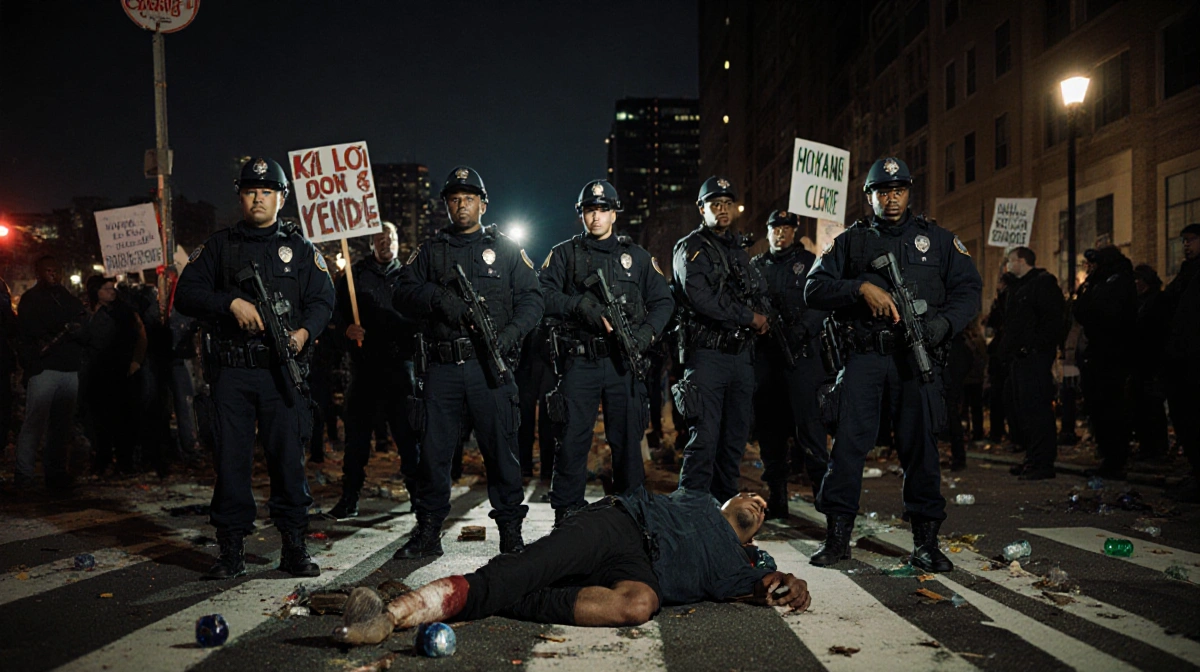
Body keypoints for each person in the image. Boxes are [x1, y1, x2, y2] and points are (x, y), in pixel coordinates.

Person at [329, 490, 811, 645]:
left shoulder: (741, 566)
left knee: (640, 605)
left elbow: (771, 586)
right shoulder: (698, 498)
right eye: (751, 496)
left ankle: (492, 594)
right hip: (620, 525)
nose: (758, 503)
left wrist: (790, 584)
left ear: (756, 539)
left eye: (764, 511)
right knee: (534, 565)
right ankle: (393, 613)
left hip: (642, 572)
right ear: (728, 499)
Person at [804, 157, 982, 572]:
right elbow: (814, 288)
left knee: (921, 448)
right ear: (869, 197)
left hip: (916, 358)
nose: (891, 198)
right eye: (882, 192)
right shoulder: (850, 241)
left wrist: (942, 326)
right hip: (866, 356)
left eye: (898, 190)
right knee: (848, 447)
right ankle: (837, 537)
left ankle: (925, 541)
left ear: (909, 192)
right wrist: (860, 288)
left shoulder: (937, 240)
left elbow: (968, 290)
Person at [175, 157, 335, 579]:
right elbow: (186, 293)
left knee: (288, 460)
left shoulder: (301, 250)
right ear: (241, 196)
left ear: (281, 198)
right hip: (234, 372)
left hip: (282, 372)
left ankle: (294, 546)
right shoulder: (220, 247)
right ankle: (231, 550)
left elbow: (323, 300)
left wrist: (303, 333)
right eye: (250, 191)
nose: (258, 198)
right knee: (231, 461)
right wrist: (229, 303)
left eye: (267, 191)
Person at [392, 166, 544, 557]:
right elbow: (402, 292)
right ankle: (427, 533)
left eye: (469, 199)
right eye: (455, 199)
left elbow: (533, 300)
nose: (462, 206)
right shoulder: (431, 251)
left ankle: (511, 532)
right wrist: (439, 300)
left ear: (483, 203)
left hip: (490, 368)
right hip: (443, 367)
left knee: (502, 454)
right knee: (435, 455)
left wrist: (510, 336)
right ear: (446, 205)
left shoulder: (507, 249)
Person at [539, 180, 674, 525]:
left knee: (628, 442)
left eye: (602, 210)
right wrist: (579, 306)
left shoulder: (638, 258)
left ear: (614, 213)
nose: (595, 217)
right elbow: (541, 294)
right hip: (580, 360)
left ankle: (631, 516)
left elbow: (663, 301)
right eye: (589, 210)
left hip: (623, 363)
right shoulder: (565, 254)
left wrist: (644, 336)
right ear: (581, 214)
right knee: (571, 441)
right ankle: (567, 517)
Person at [671, 177, 768, 503]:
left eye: (727, 203)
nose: (722, 209)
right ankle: (689, 513)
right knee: (705, 439)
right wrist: (749, 317)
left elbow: (752, 292)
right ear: (702, 209)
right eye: (715, 204)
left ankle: (724, 516)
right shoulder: (691, 247)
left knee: (734, 440)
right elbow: (701, 299)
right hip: (707, 355)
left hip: (740, 357)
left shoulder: (738, 250)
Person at [327, 222, 420, 519]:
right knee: (356, 438)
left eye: (390, 237)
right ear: (371, 243)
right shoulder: (353, 277)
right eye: (379, 238)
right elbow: (333, 314)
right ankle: (350, 498)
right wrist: (346, 329)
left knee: (407, 435)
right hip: (365, 367)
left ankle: (418, 497)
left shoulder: (408, 276)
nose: (385, 242)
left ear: (397, 241)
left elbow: (420, 317)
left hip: (399, 367)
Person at [750, 210, 828, 516]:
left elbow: (822, 303)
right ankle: (778, 496)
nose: (780, 233)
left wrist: (803, 329)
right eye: (775, 228)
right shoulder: (755, 267)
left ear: (794, 232)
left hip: (802, 358)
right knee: (770, 431)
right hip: (767, 360)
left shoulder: (809, 263)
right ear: (767, 232)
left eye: (786, 228)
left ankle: (824, 497)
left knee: (810, 429)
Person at [13, 256, 87, 491]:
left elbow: (84, 330)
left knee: (61, 427)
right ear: (39, 273)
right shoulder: (31, 300)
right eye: (48, 270)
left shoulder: (69, 300)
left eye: (56, 270)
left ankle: (54, 473)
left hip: (67, 368)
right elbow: (27, 333)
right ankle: (24, 474)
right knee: (35, 422)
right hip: (44, 368)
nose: (53, 275)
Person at [996, 247, 1066, 479]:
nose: (1008, 265)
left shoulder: (1042, 284)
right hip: (1020, 357)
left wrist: (1037, 347)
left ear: (1022, 261)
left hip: (1034, 357)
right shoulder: (1017, 288)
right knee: (1023, 409)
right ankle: (1032, 457)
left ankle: (1042, 461)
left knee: (1037, 409)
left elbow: (1053, 320)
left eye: (1011, 261)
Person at [1073, 246, 1137, 478]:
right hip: (1098, 352)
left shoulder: (1117, 282)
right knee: (1098, 408)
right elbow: (1082, 310)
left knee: (1111, 408)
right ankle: (1108, 455)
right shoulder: (1098, 283)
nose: (1090, 268)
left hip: (1112, 354)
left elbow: (1106, 313)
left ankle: (1115, 458)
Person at [80, 276, 146, 476]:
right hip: (97, 373)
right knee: (99, 420)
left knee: (122, 419)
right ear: (96, 292)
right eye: (106, 288)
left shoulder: (125, 312)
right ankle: (102, 459)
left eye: (112, 288)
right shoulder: (88, 313)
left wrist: (136, 361)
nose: (111, 292)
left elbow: (141, 335)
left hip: (120, 371)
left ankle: (124, 461)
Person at [1160, 223, 1200, 501]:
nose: (1186, 245)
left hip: (1193, 357)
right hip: (1180, 358)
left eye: (1191, 240)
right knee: (1185, 418)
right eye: (1184, 240)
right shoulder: (1187, 273)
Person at [1130, 264, 1169, 462]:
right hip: (1139, 361)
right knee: (1141, 406)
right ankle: (1148, 446)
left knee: (1152, 406)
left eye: (1140, 280)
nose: (1137, 283)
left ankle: (1157, 448)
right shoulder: (1137, 302)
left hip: (1152, 361)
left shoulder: (1157, 301)